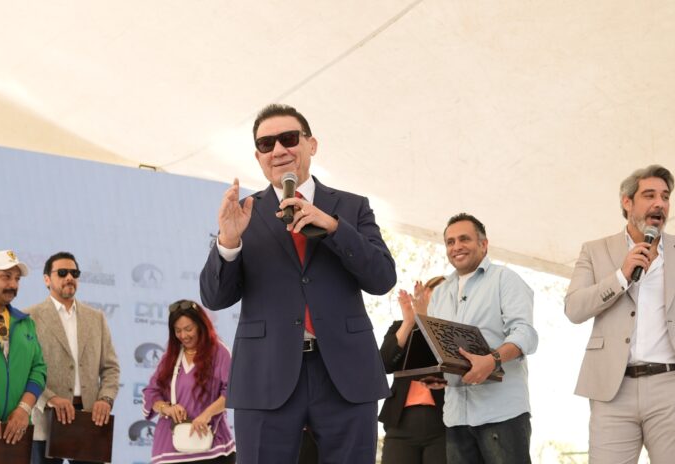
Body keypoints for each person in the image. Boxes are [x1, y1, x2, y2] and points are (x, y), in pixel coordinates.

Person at [199, 103, 397, 464]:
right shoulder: (242, 213)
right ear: (258, 157)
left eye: (288, 139)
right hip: (265, 372)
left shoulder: (351, 207)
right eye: (266, 144)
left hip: (345, 372)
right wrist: (228, 242)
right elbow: (214, 297)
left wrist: (334, 228)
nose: (278, 150)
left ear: (311, 144)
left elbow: (382, 278)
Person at [565, 164, 674, 464]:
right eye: (649, 195)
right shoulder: (595, 250)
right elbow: (574, 308)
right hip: (612, 389)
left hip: (670, 386)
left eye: (665, 197)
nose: (660, 204)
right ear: (627, 202)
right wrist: (621, 276)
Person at [426, 213, 538, 464]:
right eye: (450, 242)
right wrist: (436, 374)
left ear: (484, 244)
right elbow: (438, 347)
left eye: (464, 239)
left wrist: (492, 360)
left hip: (502, 413)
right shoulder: (440, 293)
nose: (456, 246)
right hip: (456, 416)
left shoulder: (505, 279)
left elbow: (525, 333)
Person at [24, 252, 120, 464]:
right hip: (45, 418)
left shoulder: (96, 318)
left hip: (90, 419)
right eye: (62, 273)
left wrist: (105, 399)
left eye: (74, 273)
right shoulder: (29, 318)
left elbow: (111, 368)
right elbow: (23, 371)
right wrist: (49, 398)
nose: (69, 277)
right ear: (47, 279)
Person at [143, 299, 235, 464]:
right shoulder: (170, 357)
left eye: (188, 329)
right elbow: (151, 393)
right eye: (178, 330)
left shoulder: (219, 352)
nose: (183, 336)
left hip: (212, 448)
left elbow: (232, 391)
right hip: (170, 451)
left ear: (201, 325)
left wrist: (206, 415)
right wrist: (166, 408)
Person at [0, 250, 46, 446]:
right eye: (6, 277)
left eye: (17, 279)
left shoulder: (25, 323)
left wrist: (24, 409)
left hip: (15, 435)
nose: (13, 285)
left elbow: (38, 369)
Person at [379, 276, 447, 464]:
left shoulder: (452, 331)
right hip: (400, 422)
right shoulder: (399, 327)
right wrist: (409, 322)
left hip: (443, 424)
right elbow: (384, 364)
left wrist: (424, 319)